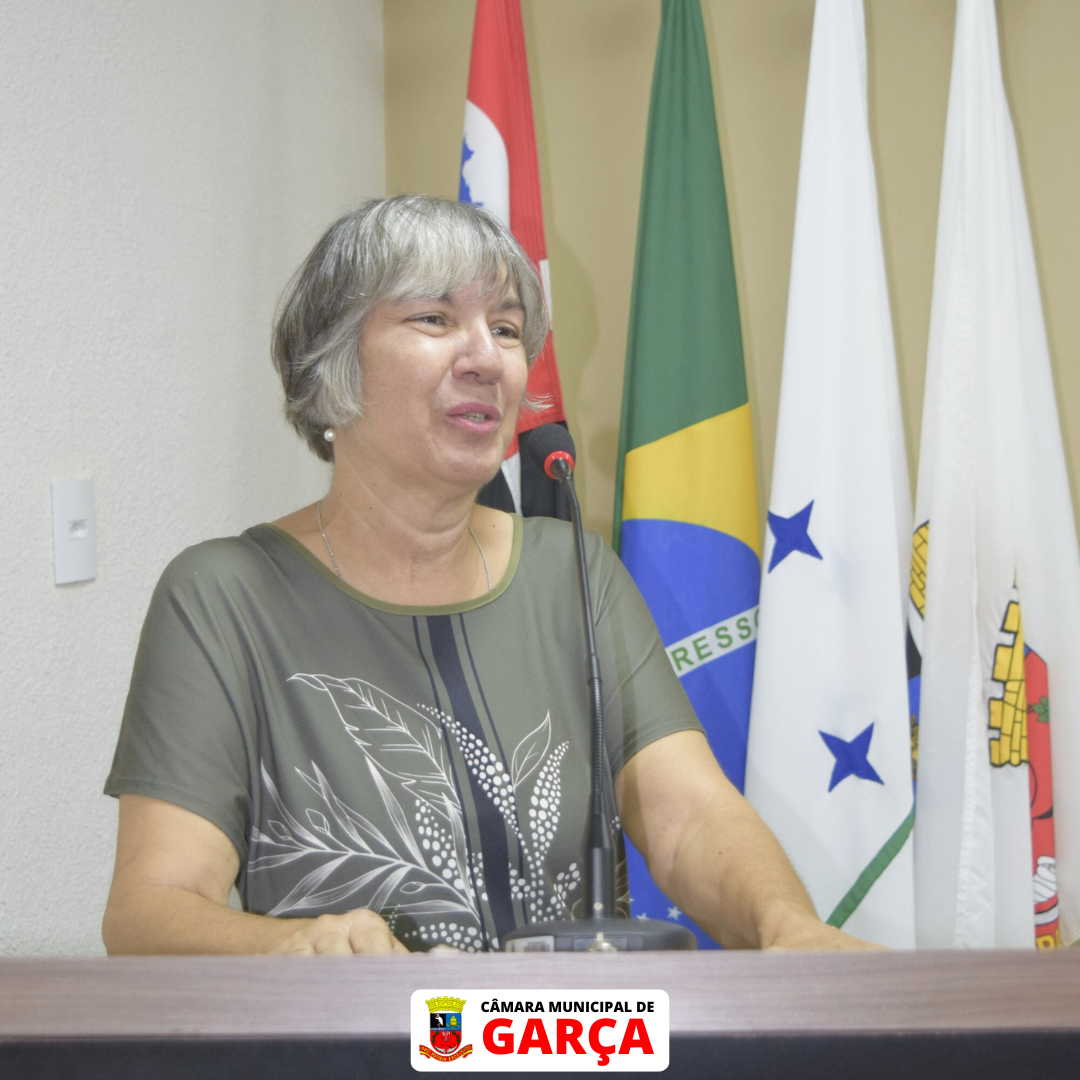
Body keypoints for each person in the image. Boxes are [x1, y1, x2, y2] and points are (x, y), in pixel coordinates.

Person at [103, 195, 872, 956]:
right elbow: (150, 908)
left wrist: (787, 927)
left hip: (578, 1028)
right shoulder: (224, 597)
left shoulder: (572, 575)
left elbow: (691, 820)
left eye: (505, 329)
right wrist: (299, 950)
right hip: (353, 1030)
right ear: (335, 366)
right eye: (434, 319)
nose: (486, 359)